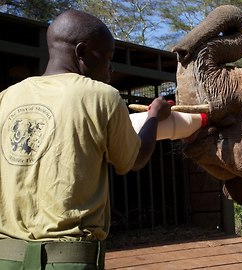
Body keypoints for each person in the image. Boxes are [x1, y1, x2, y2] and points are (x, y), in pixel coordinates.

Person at [0, 10, 171, 270]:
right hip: (69, 260)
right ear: (82, 52)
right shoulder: (103, 97)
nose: (111, 67)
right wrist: (154, 117)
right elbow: (134, 160)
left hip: (6, 257)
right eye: (108, 56)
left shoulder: (6, 97)